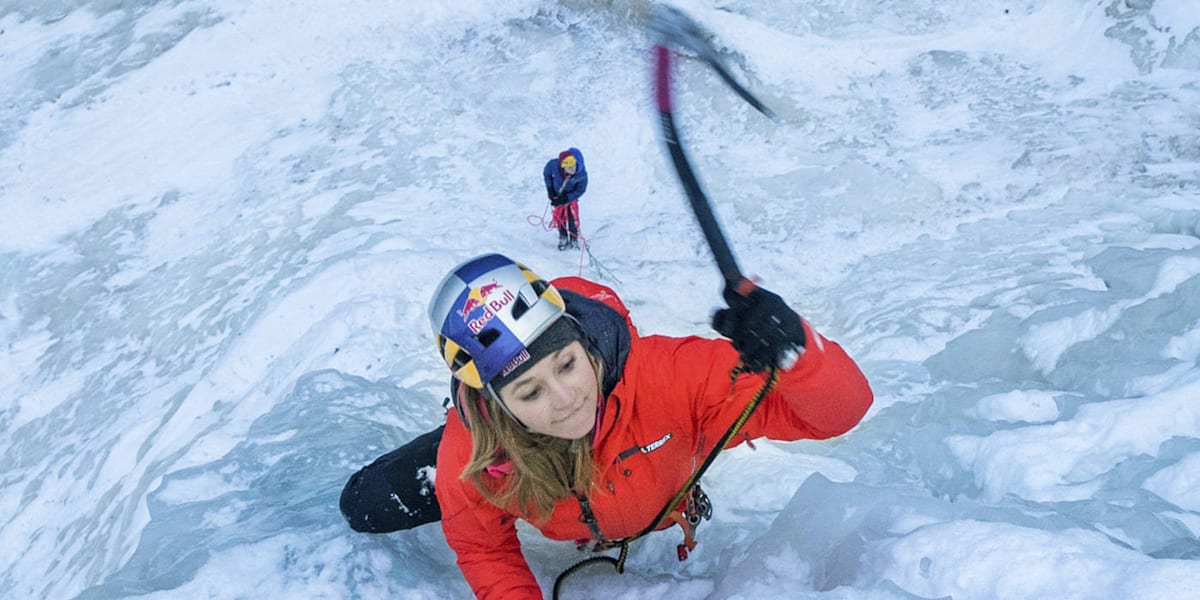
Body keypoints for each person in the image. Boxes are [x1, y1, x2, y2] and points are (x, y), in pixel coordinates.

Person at [340, 253, 873, 599]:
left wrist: (798, 352)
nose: (568, 399)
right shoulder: (472, 453)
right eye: (530, 391)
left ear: (586, 344)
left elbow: (838, 412)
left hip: (632, 466)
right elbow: (486, 550)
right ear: (496, 403)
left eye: (567, 365)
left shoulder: (670, 378)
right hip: (503, 451)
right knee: (362, 505)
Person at [543, 148, 587, 250]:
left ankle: (574, 238)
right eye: (569, 168)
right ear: (563, 167)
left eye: (574, 166)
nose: (573, 169)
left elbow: (580, 190)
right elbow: (546, 174)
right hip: (557, 196)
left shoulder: (582, 174)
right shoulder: (553, 165)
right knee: (560, 218)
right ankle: (563, 236)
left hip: (571, 199)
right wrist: (550, 189)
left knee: (572, 218)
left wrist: (567, 198)